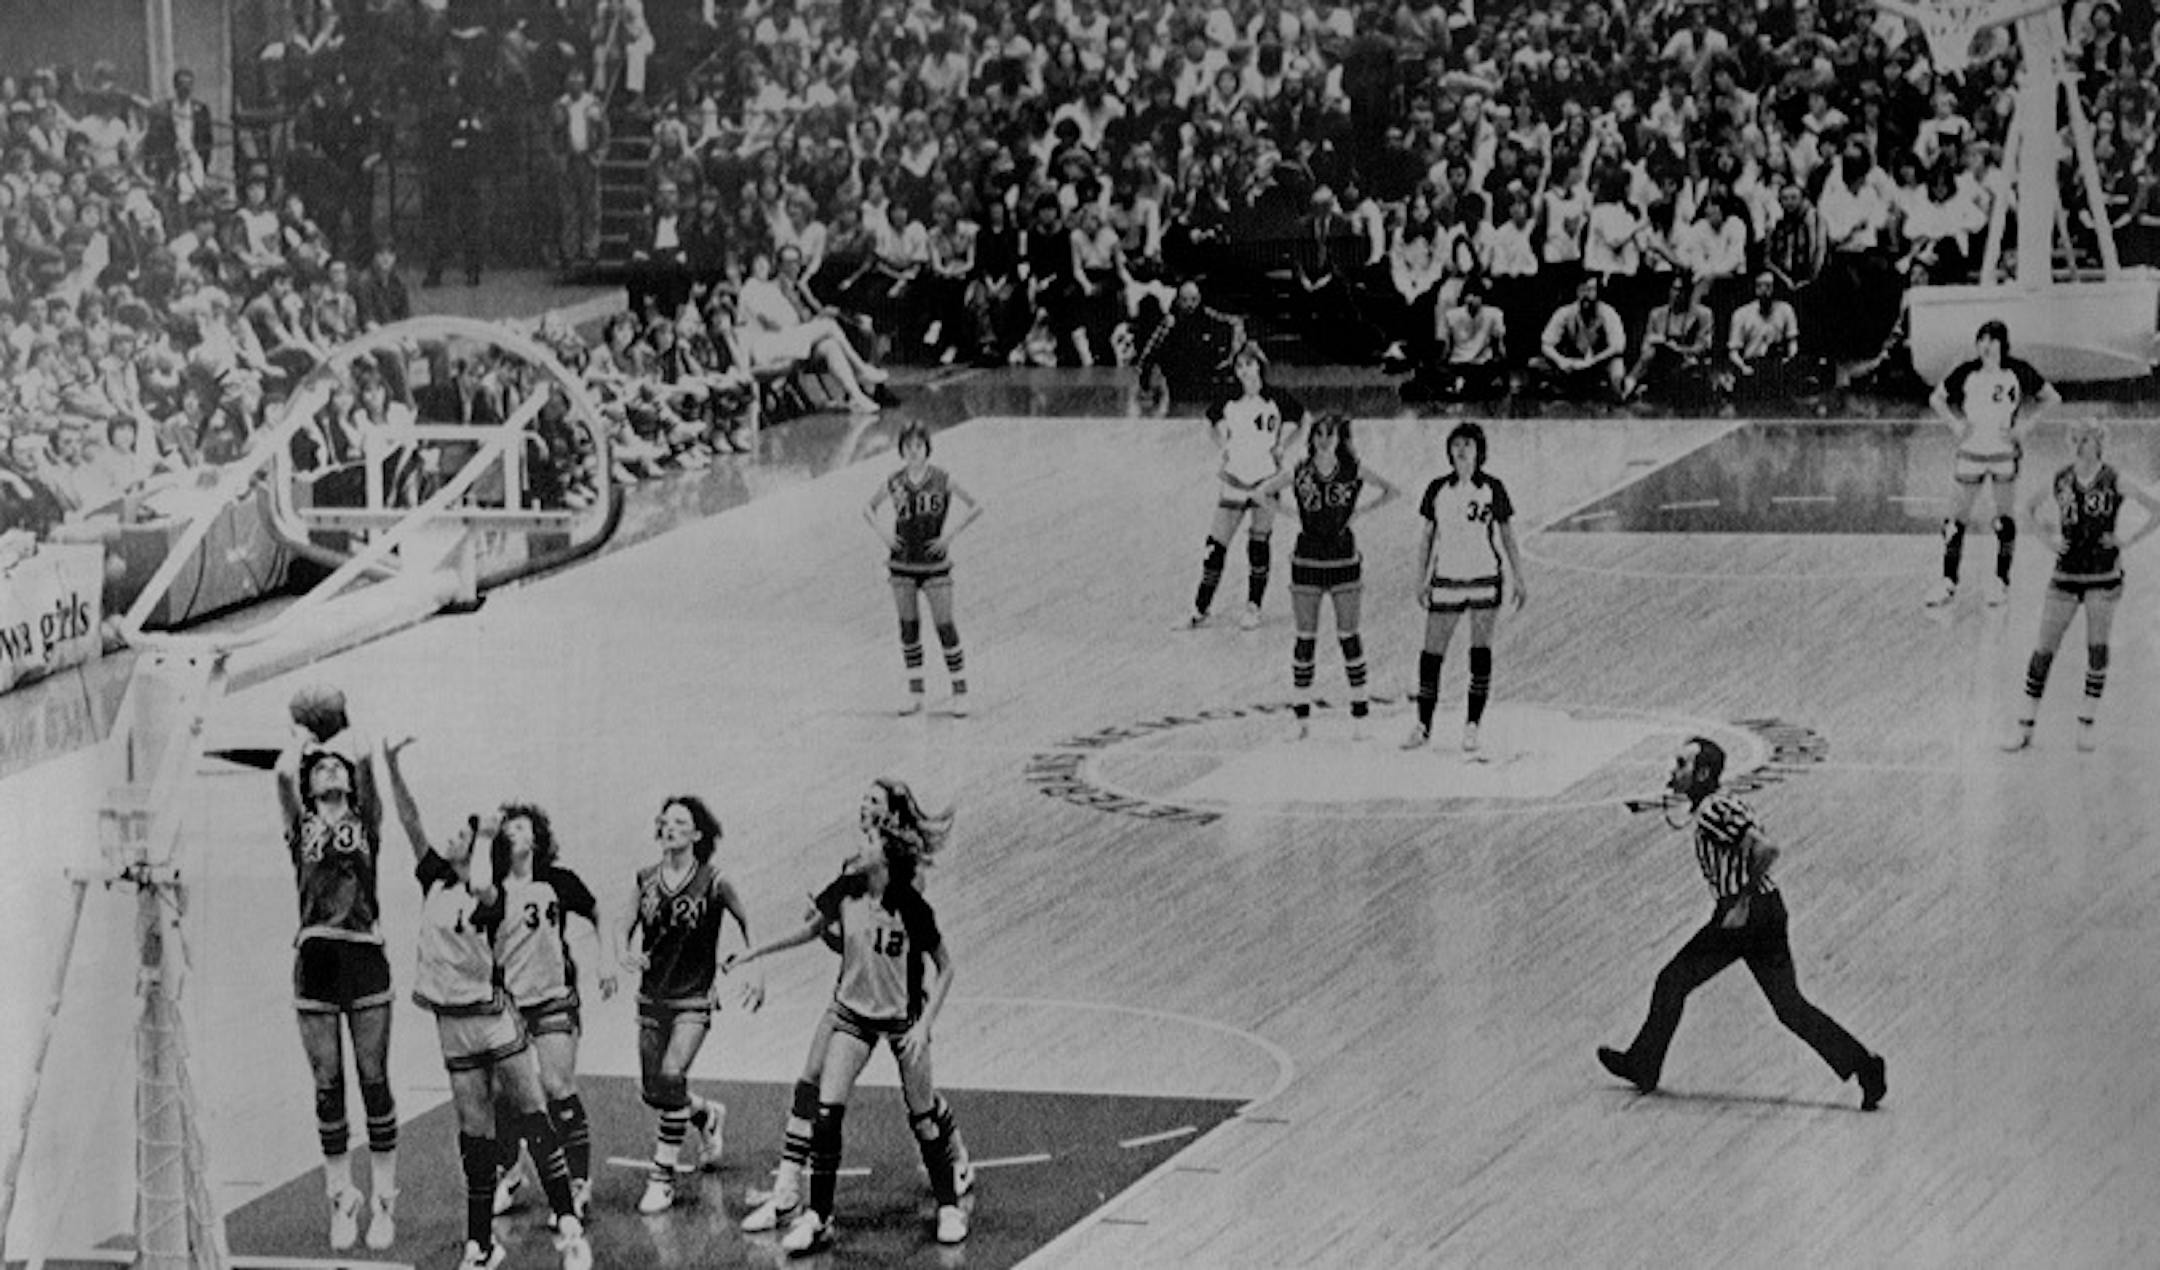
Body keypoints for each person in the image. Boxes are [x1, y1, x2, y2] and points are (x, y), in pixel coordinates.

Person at [724, 778, 972, 1253]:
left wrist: (924, 1025)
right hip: (854, 1013)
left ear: (887, 847)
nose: (859, 841)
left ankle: (948, 1204)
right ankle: (817, 1216)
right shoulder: (846, 887)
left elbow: (945, 966)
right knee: (825, 1109)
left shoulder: (911, 900)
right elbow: (813, 932)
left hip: (901, 1016)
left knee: (922, 1116)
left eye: (869, 836)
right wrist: (754, 953)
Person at [382, 743, 593, 1270]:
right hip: (451, 1030)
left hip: (493, 1022)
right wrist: (391, 767)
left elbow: (479, 879)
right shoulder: (434, 877)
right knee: (474, 1137)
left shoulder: (492, 892)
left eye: (464, 834)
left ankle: (568, 1221)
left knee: (533, 1114)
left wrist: (484, 834)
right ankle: (481, 1242)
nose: (453, 834)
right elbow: (409, 822)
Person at [1596, 738, 1889, 1111]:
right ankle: (1865, 1066)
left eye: (1681, 764)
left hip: (1744, 917)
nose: (1673, 769)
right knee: (1788, 1006)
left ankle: (1644, 1063)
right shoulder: (1717, 804)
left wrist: (1740, 902)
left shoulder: (1714, 811)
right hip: (1765, 913)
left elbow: (1767, 849)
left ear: (1702, 773)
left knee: (1673, 981)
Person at [272, 685, 398, 1253]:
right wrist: (304, 736)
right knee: (327, 1087)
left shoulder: (366, 821)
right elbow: (280, 775)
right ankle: (340, 1198)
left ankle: (384, 1200)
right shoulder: (299, 828)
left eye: (333, 767)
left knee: (373, 1081)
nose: (327, 771)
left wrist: (340, 726)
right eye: (318, 768)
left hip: (365, 955)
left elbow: (368, 757)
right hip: (315, 961)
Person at [486, 804, 621, 1223]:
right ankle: (509, 1172)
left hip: (554, 998)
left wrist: (607, 959)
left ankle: (578, 1183)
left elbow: (600, 912)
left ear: (537, 839)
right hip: (507, 1004)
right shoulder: (489, 890)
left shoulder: (558, 881)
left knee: (556, 1084)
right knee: (502, 1097)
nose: (516, 832)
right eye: (509, 827)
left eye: (523, 827)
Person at [619, 795, 749, 1214]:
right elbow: (625, 925)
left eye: (680, 822)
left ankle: (663, 1175)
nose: (670, 827)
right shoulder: (645, 879)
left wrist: (753, 964)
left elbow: (750, 921)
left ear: (696, 834)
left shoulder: (714, 880)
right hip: (652, 996)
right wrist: (624, 952)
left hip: (694, 997)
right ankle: (705, 1115)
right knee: (655, 1090)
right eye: (665, 821)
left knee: (673, 1073)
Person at [2002, 420, 2160, 752]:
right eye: (2074, 439)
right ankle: (2024, 725)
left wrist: (2126, 540)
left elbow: (2155, 509)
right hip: (2065, 575)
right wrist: (2047, 541)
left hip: (2103, 577)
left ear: (2099, 442)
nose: (2078, 445)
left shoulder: (2114, 478)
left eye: (2085, 439)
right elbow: (2027, 509)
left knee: (2097, 648)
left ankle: (2086, 723)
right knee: (2043, 649)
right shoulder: (2060, 477)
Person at [1404, 422, 1528, 754]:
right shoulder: (1437, 489)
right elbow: (1427, 539)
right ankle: (1423, 724)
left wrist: (1519, 576)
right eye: (1456, 444)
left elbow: (1508, 536)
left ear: (1478, 452)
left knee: (1480, 652)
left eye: (1468, 445)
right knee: (1431, 654)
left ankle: (1472, 725)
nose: (1461, 450)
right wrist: (1420, 578)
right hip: (1446, 579)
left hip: (1485, 578)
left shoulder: (1493, 489)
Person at [1926, 320, 2060, 608]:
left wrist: (2025, 427)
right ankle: (1948, 581)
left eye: (1992, 340)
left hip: (2003, 453)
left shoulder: (2017, 371)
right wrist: (1954, 425)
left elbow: (2051, 397)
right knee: (1955, 520)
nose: (1986, 345)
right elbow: (1936, 398)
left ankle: (2001, 581)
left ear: (2003, 344)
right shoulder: (1966, 372)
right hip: (1971, 452)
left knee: (2004, 520)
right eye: (1982, 340)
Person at [1283, 413, 1399, 737]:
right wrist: (1291, 514)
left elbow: (1392, 490)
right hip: (1306, 561)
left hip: (1343, 560)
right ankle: (1301, 719)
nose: (1323, 440)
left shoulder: (1352, 469)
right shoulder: (1300, 471)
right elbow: (1263, 492)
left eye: (1330, 435)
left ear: (1339, 439)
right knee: (1305, 638)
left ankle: (1360, 715)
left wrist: (1359, 512)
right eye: (1319, 433)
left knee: (1349, 635)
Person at [1180, 342, 1308, 631]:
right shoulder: (1228, 399)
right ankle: (1200, 607)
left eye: (1248, 365)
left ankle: (1253, 606)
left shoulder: (1277, 398)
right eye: (1239, 366)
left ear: (1259, 366)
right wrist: (1222, 445)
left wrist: (1283, 446)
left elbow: (1301, 419)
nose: (1244, 371)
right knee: (1215, 546)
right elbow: (1211, 421)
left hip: (1266, 479)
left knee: (1258, 543)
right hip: (1235, 478)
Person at [862, 423, 983, 716]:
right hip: (902, 562)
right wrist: (884, 534)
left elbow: (976, 505)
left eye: (918, 446)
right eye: (908, 446)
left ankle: (960, 691)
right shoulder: (895, 481)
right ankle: (915, 692)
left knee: (945, 625)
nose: (913, 451)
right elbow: (868, 508)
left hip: (934, 563)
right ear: (901, 450)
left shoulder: (942, 478)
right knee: (908, 628)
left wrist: (950, 535)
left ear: (927, 448)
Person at [1530, 274, 1627, 403]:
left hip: (1598, 364)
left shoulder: (1608, 312)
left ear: (1598, 292)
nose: (1586, 295)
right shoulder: (1565, 312)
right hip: (1571, 364)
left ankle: (1606, 396)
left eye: (1591, 290)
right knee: (1534, 364)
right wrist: (1561, 361)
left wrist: (1593, 361)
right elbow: (1546, 344)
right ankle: (1565, 389)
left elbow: (1617, 346)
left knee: (1617, 370)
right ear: (1577, 291)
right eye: (1583, 290)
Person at [1623, 274, 1714, 407]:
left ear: (1689, 293)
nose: (1677, 294)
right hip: (1661, 361)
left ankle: (1630, 384)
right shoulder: (1657, 314)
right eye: (1675, 289)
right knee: (1650, 353)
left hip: (1687, 360)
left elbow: (1703, 346)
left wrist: (1678, 349)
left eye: (1682, 290)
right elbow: (1645, 346)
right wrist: (1662, 343)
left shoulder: (1703, 314)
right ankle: (1629, 385)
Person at [1724, 271, 1805, 403]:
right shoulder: (1741, 314)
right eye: (1760, 286)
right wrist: (1743, 367)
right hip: (1751, 365)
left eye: (1768, 286)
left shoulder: (1786, 310)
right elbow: (1733, 352)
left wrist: (1789, 359)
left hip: (1776, 365)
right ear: (1754, 288)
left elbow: (1792, 341)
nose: (1764, 290)